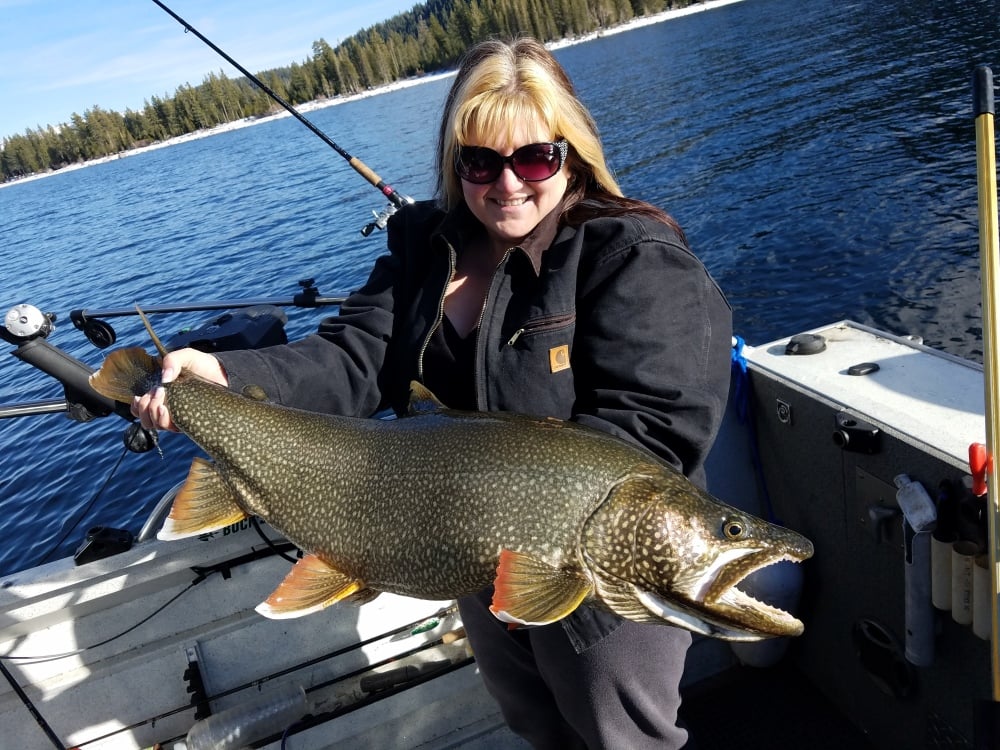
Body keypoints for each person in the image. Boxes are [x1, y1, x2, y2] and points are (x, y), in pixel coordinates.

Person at [134, 37, 732, 750]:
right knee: (535, 722)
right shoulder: (427, 249)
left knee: (621, 738)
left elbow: (655, 431)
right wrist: (228, 379)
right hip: (463, 554)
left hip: (602, 578)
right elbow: (352, 357)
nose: (507, 184)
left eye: (533, 157)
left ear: (570, 152)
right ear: (455, 163)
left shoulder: (628, 253)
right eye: (480, 162)